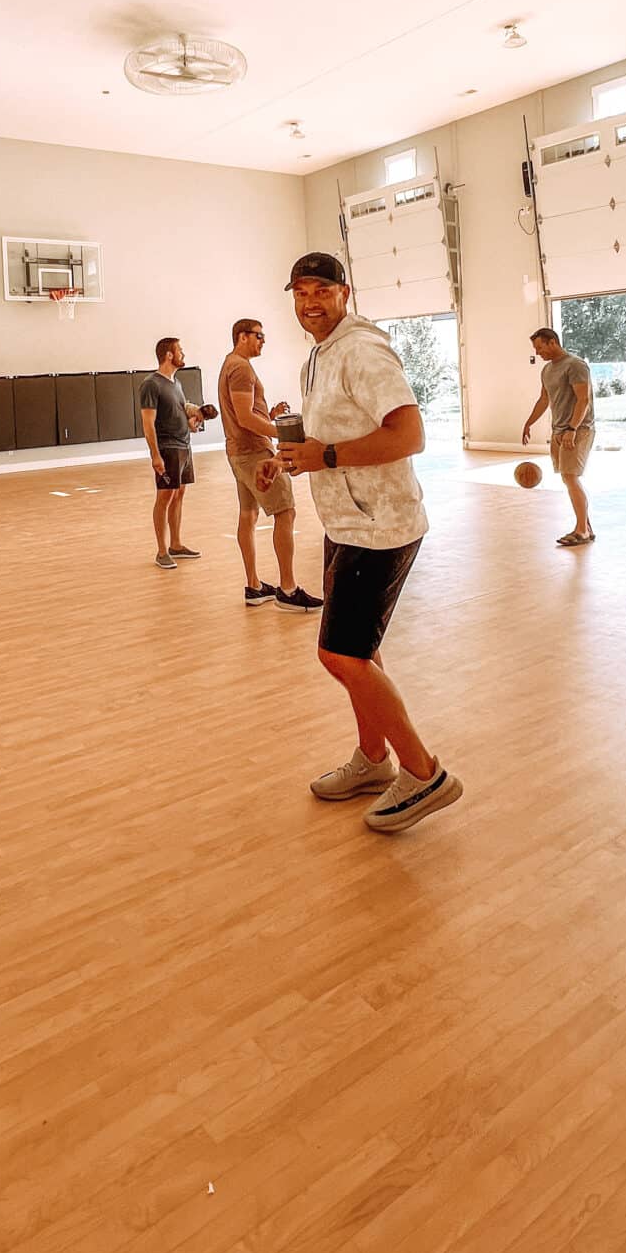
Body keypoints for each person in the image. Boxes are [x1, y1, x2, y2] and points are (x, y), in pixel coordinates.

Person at [260, 253, 463, 834]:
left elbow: (409, 434)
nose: (310, 302)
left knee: (340, 654)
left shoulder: (363, 350)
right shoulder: (320, 355)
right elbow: (340, 434)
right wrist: (296, 457)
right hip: (347, 521)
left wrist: (324, 455)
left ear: (345, 292)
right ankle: (374, 761)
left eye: (321, 289)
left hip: (381, 527)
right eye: (300, 293)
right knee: (361, 651)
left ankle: (424, 773)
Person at [218, 319, 323, 613]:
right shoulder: (241, 368)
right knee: (285, 512)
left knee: (248, 515)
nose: (263, 341)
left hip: (239, 451)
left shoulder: (231, 364)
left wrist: (270, 414)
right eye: (259, 336)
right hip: (254, 453)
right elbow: (245, 418)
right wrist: (283, 432)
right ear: (242, 337)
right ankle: (288, 589)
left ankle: (254, 586)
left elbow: (250, 412)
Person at [522, 327, 595, 546]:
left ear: (552, 342)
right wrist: (529, 422)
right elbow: (544, 400)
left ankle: (582, 531)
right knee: (567, 478)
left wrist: (572, 429)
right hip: (558, 431)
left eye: (540, 347)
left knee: (571, 477)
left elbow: (583, 400)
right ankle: (586, 528)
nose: (538, 352)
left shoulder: (576, 365)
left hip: (578, 430)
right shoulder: (546, 371)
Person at [140, 337, 204, 570]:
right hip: (167, 448)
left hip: (184, 446)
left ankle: (176, 544)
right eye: (180, 351)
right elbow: (148, 423)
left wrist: (191, 424)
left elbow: (178, 415)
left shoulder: (175, 384)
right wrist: (155, 455)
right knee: (165, 497)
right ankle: (161, 551)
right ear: (169, 355)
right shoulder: (151, 384)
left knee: (179, 495)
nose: (183, 354)